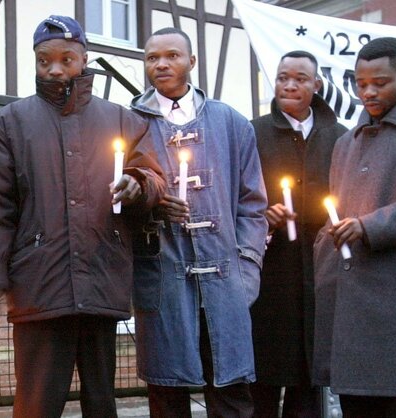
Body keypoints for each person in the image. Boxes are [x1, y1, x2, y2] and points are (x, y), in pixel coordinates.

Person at [0, 15, 167, 418]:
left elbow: (155, 178)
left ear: (84, 58)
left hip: (101, 279)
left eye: (66, 59)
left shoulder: (123, 120)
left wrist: (138, 185)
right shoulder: (8, 124)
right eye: (45, 61)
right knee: (37, 404)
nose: (55, 69)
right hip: (39, 286)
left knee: (101, 403)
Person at [129, 27, 268, 418]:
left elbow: (252, 204)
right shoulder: (130, 122)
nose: (161, 64)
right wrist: (152, 206)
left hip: (226, 280)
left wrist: (246, 268)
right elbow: (117, 204)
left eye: (171, 55)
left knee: (230, 392)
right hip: (163, 277)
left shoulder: (231, 123)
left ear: (192, 61)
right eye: (152, 58)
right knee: (167, 395)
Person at [312, 37, 396, 418]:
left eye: (380, 83)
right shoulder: (346, 143)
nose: (368, 92)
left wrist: (368, 227)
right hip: (352, 319)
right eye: (361, 83)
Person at [249, 50, 347, 418]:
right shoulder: (253, 132)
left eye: (300, 79)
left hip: (319, 275)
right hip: (269, 278)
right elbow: (238, 197)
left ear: (316, 85)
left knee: (308, 384)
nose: (289, 85)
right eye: (282, 77)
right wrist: (263, 217)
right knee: (263, 378)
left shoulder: (339, 138)